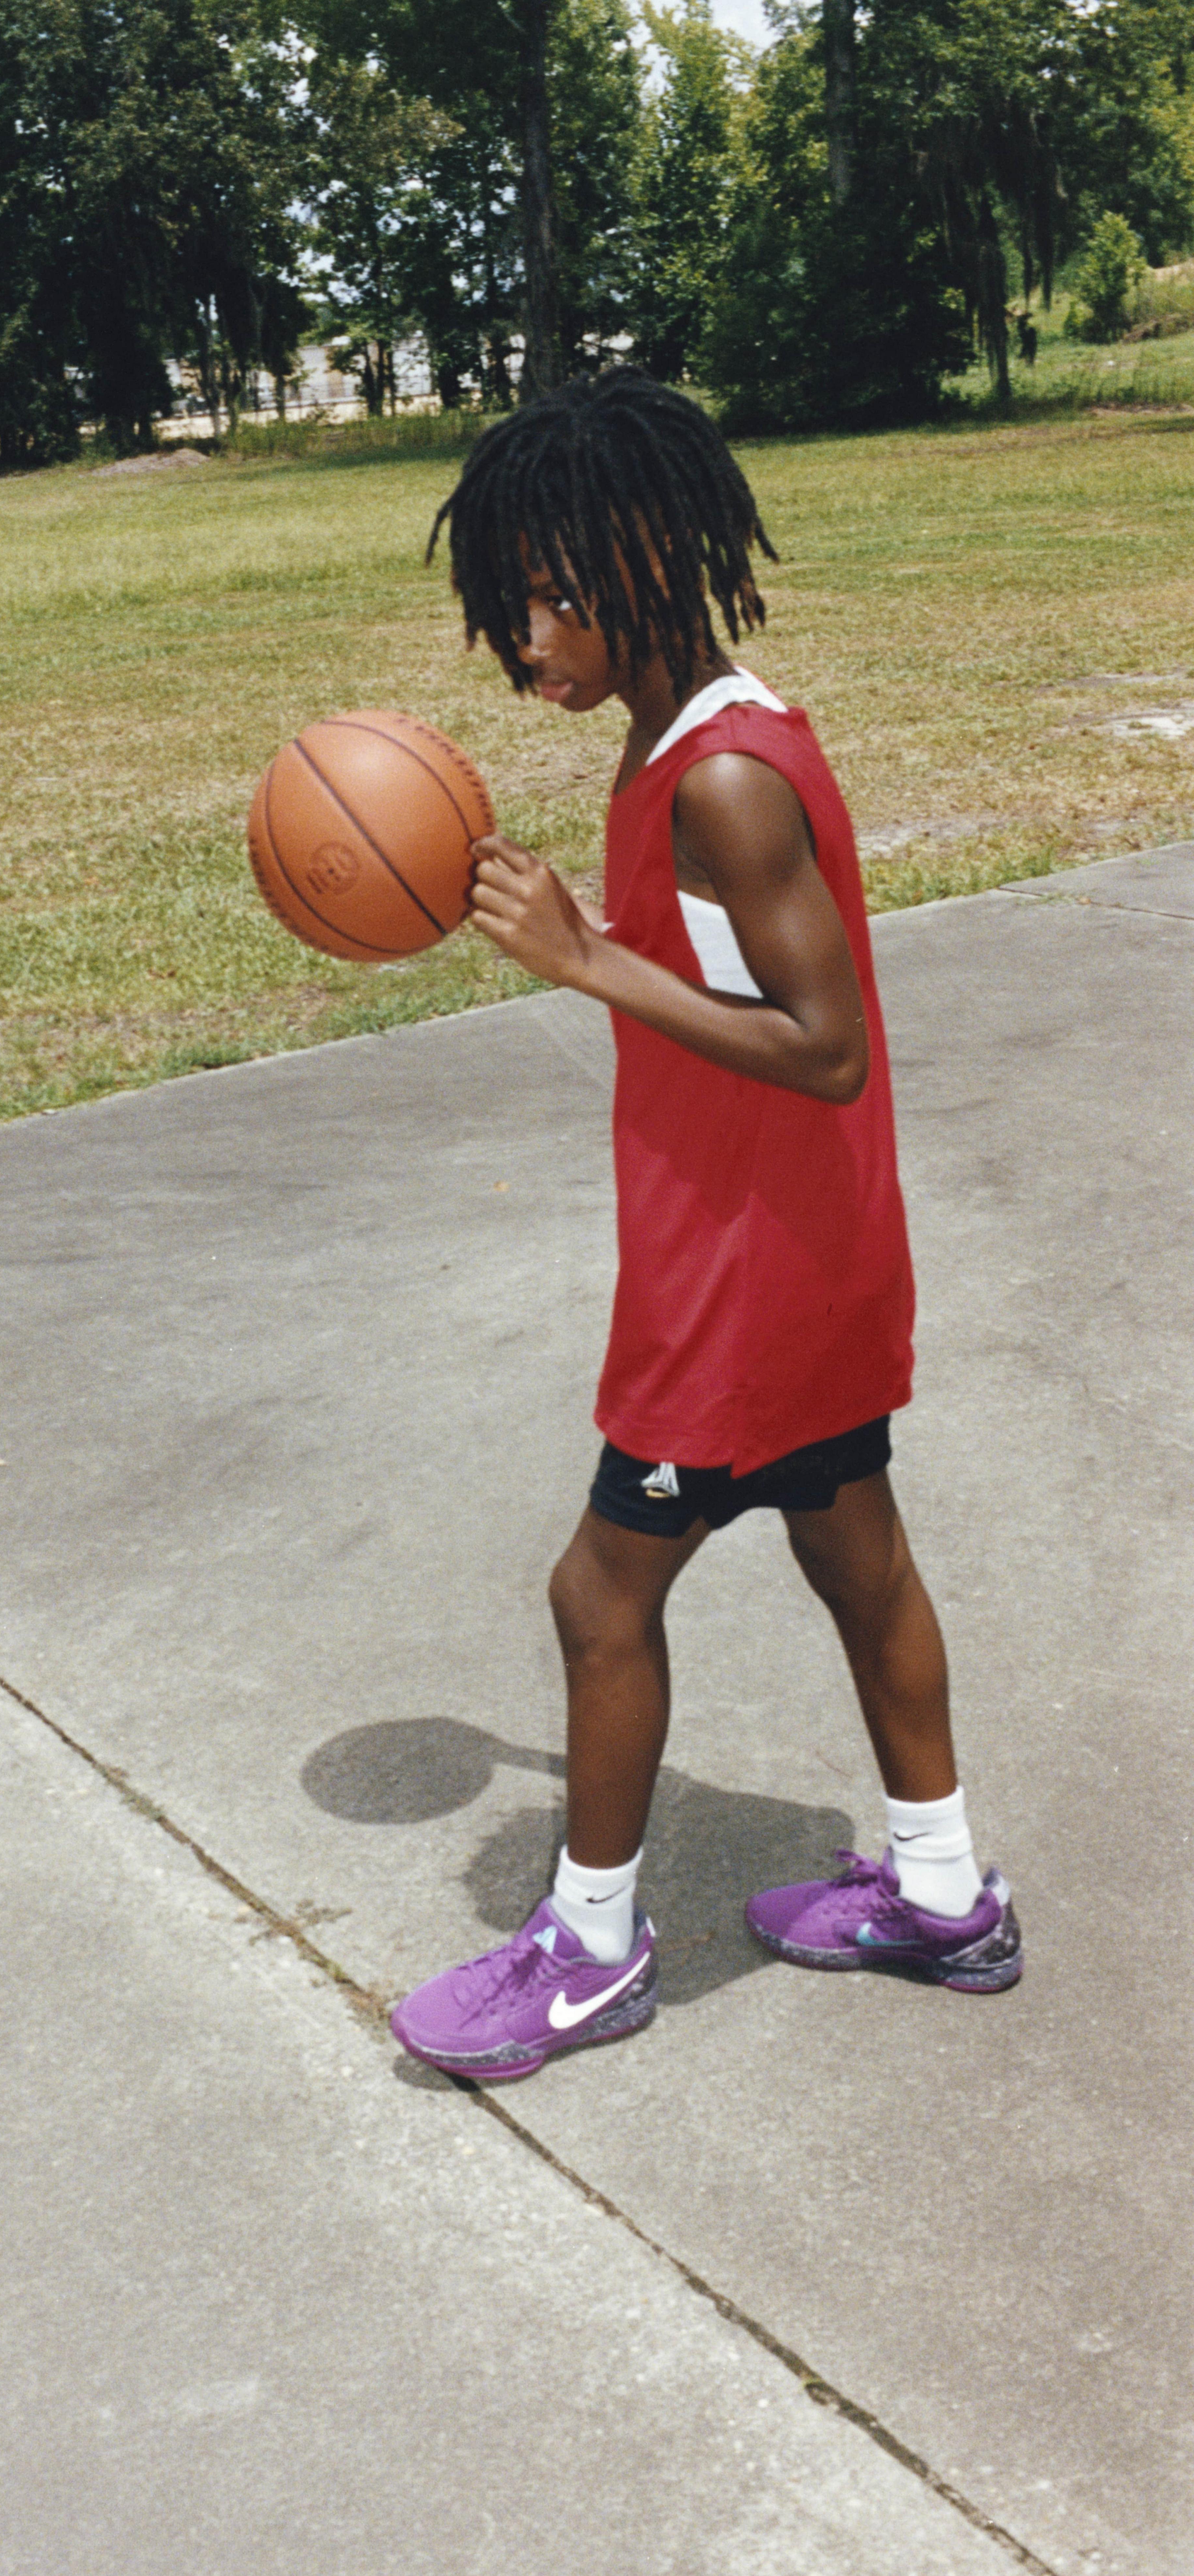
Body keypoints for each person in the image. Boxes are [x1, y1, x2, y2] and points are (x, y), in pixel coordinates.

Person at [390, 370, 1022, 2084]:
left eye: (550, 595)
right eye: (503, 600)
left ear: (649, 555)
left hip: (740, 1289)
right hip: (802, 1256)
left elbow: (827, 1051)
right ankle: (942, 1892)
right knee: (852, 1552)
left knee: (600, 1594)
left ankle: (589, 1955)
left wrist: (588, 959)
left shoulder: (721, 785)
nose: (520, 637)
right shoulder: (687, 735)